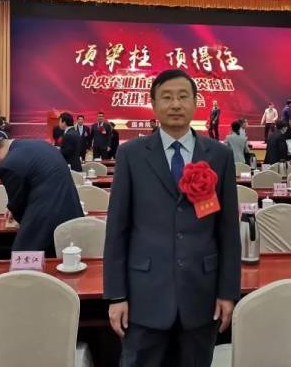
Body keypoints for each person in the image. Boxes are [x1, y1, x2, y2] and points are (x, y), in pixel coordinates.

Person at [104, 69, 240, 367]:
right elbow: (117, 230)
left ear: (195, 102)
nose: (175, 104)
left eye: (183, 97)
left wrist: (228, 292)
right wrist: (116, 296)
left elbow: (228, 231)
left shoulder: (219, 155)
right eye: (166, 97)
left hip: (202, 296)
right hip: (143, 296)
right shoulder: (131, 154)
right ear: (153, 105)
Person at [0, 134, 84, 255]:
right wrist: (12, 206)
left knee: (22, 256)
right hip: (72, 209)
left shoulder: (9, 164)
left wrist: (15, 211)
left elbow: (19, 203)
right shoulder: (39, 144)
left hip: (47, 216)